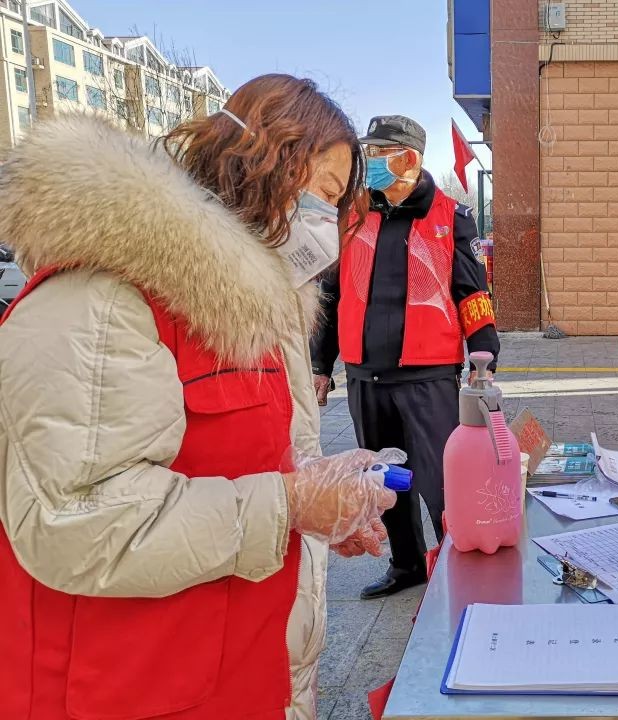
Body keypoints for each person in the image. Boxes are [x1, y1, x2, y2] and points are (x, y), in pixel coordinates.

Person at [0, 75, 398, 720]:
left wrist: (316, 501)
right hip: (118, 688)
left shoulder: (253, 309)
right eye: (322, 196)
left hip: (238, 674)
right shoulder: (102, 300)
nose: (327, 223)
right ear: (263, 165)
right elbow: (80, 523)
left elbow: (248, 462)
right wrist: (290, 504)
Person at [311, 115, 499, 599]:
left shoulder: (449, 217)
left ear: (408, 158)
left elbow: (471, 292)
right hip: (365, 376)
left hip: (426, 377)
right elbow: (331, 294)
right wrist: (320, 364)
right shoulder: (353, 214)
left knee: (438, 478)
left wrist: (483, 353)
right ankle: (407, 564)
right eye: (368, 153)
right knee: (385, 476)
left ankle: (453, 561)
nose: (369, 163)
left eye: (378, 153)